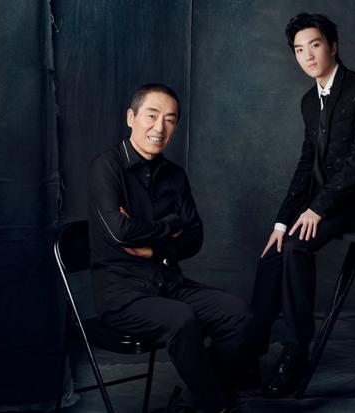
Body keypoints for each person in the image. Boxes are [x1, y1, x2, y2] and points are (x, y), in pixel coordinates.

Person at [249, 13, 355, 398]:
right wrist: (282, 221)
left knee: (296, 247)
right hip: (325, 203)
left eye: (314, 45)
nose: (308, 56)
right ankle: (250, 350)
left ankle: (296, 350)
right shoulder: (308, 101)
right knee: (274, 251)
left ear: (333, 46)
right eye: (299, 50)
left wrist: (317, 208)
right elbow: (306, 164)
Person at [87, 83, 251, 413]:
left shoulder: (175, 175)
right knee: (183, 319)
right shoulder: (106, 167)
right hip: (122, 294)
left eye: (170, 119)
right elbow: (121, 233)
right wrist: (171, 224)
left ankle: (191, 402)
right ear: (131, 117)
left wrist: (154, 250)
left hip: (168, 282)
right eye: (152, 115)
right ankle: (218, 407)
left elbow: (195, 237)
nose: (159, 127)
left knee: (238, 315)